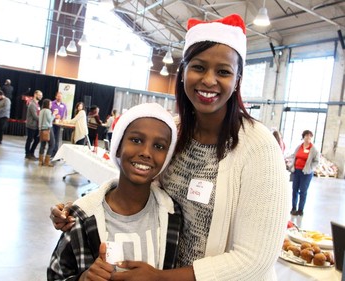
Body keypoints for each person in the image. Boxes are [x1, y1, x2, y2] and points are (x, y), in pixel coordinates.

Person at [50, 14, 289, 281]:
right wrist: (81, 210)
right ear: (183, 72)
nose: (209, 80)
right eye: (199, 67)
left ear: (237, 81)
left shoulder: (259, 147)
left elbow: (255, 260)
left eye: (223, 71)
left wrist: (162, 278)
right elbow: (137, 186)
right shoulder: (172, 132)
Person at [47, 103, 181, 281]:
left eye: (159, 146)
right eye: (136, 140)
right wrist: (83, 278)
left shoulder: (173, 214)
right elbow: (56, 275)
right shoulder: (82, 216)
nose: (146, 152)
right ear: (117, 146)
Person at [288, 130, 320, 216]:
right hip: (296, 171)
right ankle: (293, 208)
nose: (308, 137)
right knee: (294, 190)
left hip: (306, 173)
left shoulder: (314, 149)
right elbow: (294, 155)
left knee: (303, 191)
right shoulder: (299, 147)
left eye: (310, 136)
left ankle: (300, 209)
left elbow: (316, 161)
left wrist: (310, 168)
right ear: (303, 137)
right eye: (307, 136)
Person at [38, 99, 57, 167]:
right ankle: (47, 161)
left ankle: (40, 161)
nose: (51, 105)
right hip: (48, 129)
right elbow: (50, 120)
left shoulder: (41, 111)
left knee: (42, 145)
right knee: (52, 144)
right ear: (47, 104)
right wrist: (54, 114)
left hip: (41, 129)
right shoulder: (48, 111)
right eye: (50, 104)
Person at [25, 90, 43, 160]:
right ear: (35, 95)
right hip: (31, 125)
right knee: (29, 140)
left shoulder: (37, 104)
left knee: (37, 139)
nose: (41, 97)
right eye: (39, 95)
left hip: (36, 126)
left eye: (41, 95)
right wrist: (42, 119)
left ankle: (31, 152)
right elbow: (35, 116)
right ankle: (27, 154)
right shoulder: (32, 104)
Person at [50, 91, 67, 158]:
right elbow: (48, 113)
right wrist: (54, 116)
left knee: (57, 139)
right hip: (52, 123)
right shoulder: (52, 103)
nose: (59, 98)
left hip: (59, 125)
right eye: (58, 96)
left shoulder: (64, 105)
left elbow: (65, 115)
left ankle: (55, 154)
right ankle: (50, 153)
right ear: (56, 96)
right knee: (52, 139)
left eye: (60, 96)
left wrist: (63, 119)